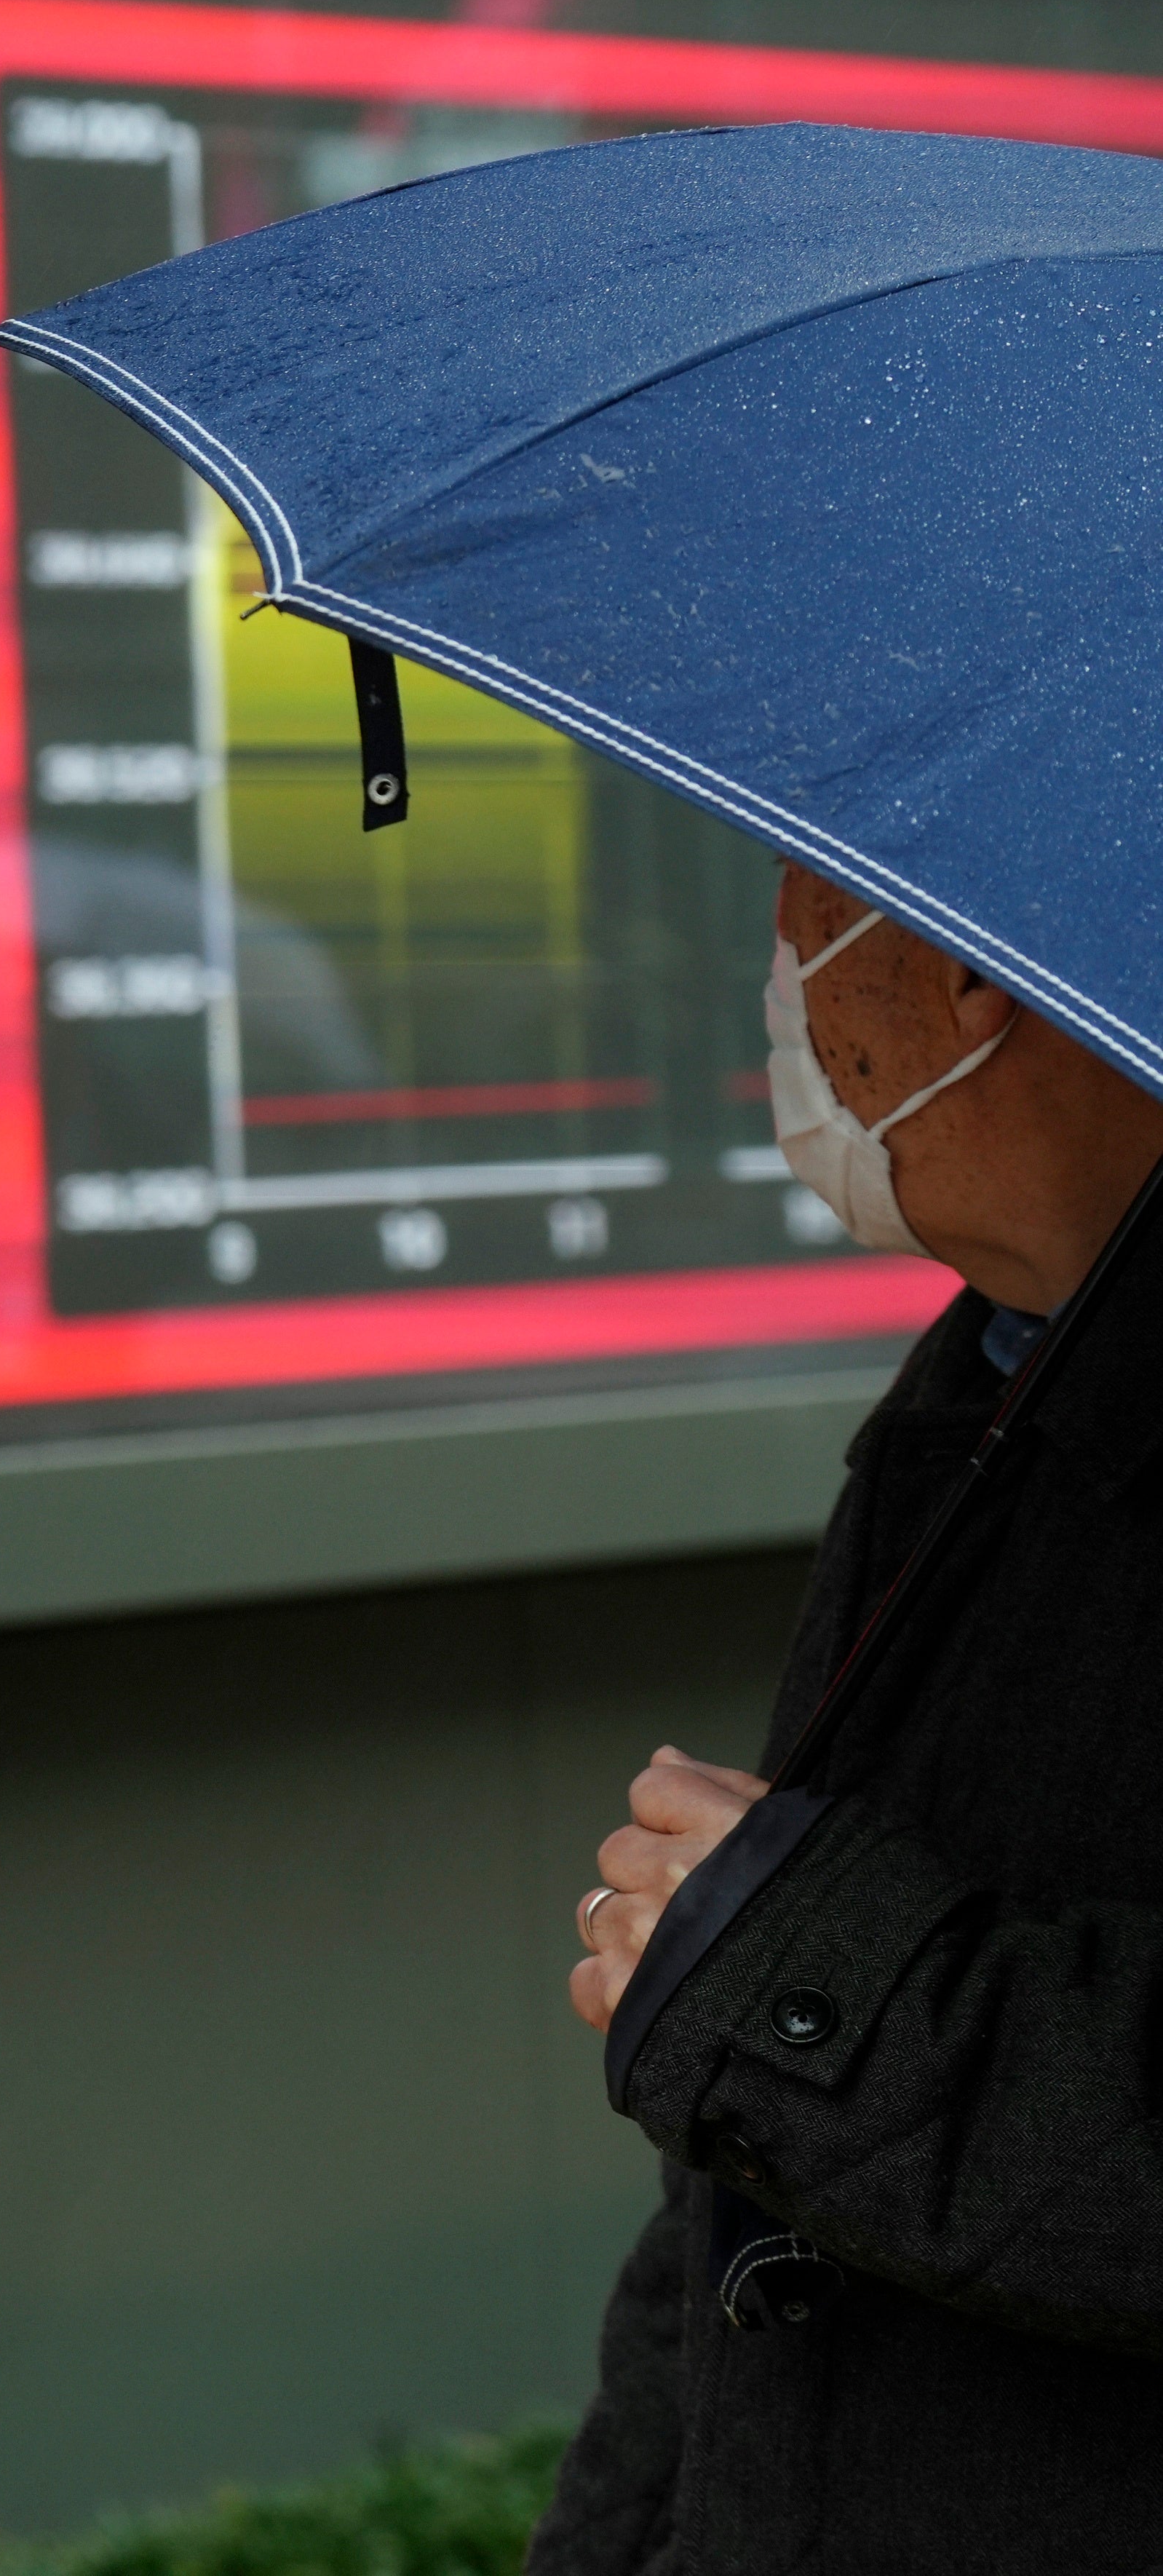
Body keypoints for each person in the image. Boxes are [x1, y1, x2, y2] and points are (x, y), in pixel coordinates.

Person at [533, 860, 1163, 2573]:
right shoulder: (984, 1384)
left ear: (975, 974)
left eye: (812, 912)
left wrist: (793, 1976)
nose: (788, 989)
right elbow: (726, 2241)